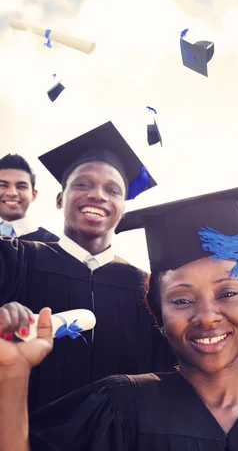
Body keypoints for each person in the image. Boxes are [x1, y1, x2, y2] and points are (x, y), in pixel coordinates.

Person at [0, 182, 238, 451]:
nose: (207, 316)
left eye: (227, 293)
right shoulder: (119, 409)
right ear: (159, 314)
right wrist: (13, 373)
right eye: (181, 299)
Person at [0, 122, 172, 411]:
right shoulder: (13, 260)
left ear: (122, 207)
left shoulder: (146, 289)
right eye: (82, 184)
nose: (97, 195)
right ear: (59, 198)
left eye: (113, 190)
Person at [0, 153, 58, 242]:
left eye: (21, 186)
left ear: (33, 195)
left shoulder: (52, 245)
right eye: (3, 185)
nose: (12, 193)